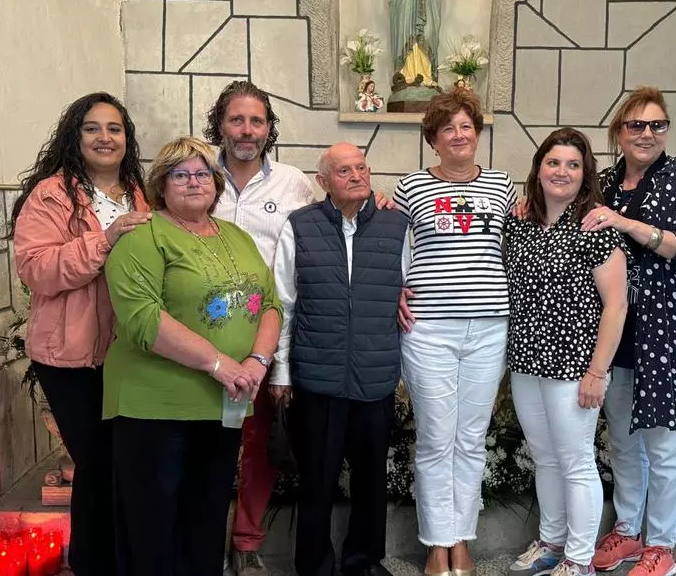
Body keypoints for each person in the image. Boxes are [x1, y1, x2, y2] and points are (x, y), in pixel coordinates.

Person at [104, 137, 282, 575]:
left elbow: (270, 303)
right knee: (153, 528)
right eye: (180, 174)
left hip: (223, 403)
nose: (193, 182)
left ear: (216, 184)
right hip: (155, 406)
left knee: (206, 519)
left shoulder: (236, 236)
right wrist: (219, 363)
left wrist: (257, 362)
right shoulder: (142, 236)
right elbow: (143, 319)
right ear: (161, 185)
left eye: (203, 174)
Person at [11, 92, 150, 576]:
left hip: (129, 353)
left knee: (124, 465)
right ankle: (94, 564)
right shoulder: (51, 195)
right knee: (97, 462)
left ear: (127, 138)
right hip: (69, 356)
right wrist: (104, 240)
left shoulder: (140, 194)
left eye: (114, 128)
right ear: (75, 136)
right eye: (92, 128)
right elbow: (37, 268)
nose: (104, 137)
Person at [584, 87, 676, 576]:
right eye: (636, 124)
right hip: (617, 327)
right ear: (619, 132)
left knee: (665, 446)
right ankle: (627, 530)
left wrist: (624, 223)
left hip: (668, 329)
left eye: (657, 125)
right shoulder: (604, 181)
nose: (647, 133)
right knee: (622, 438)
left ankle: (661, 546)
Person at [269, 143, 409, 576]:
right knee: (317, 480)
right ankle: (314, 566)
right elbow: (284, 303)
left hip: (375, 377)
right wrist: (281, 371)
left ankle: (364, 563)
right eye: (344, 170)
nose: (356, 176)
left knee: (371, 481)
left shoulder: (397, 225)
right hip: (317, 379)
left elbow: (409, 292)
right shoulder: (300, 225)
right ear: (323, 181)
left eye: (362, 167)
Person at [393, 88, 515, 576]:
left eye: (466, 126)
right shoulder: (410, 187)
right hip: (429, 330)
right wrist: (395, 290)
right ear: (433, 139)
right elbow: (391, 246)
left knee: (471, 439)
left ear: (478, 134)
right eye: (448, 128)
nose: (459, 134)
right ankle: (436, 542)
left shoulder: (503, 186)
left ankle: (461, 538)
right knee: (435, 438)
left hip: (489, 327)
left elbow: (516, 245)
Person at [502, 128, 631, 576]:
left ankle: (579, 560)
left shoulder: (595, 228)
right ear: (539, 169)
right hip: (527, 361)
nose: (562, 172)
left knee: (575, 462)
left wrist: (598, 372)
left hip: (574, 365)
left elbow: (616, 305)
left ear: (585, 174)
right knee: (544, 456)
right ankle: (552, 542)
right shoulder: (519, 225)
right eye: (553, 162)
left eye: (573, 165)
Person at [203, 80, 316, 576]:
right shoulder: (197, 173)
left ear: (269, 128)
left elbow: (321, 235)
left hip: (267, 336)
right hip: (202, 338)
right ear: (220, 125)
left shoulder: (293, 183)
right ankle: (203, 544)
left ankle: (246, 542)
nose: (247, 130)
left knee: (259, 446)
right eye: (237, 120)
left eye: (257, 121)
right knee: (206, 445)